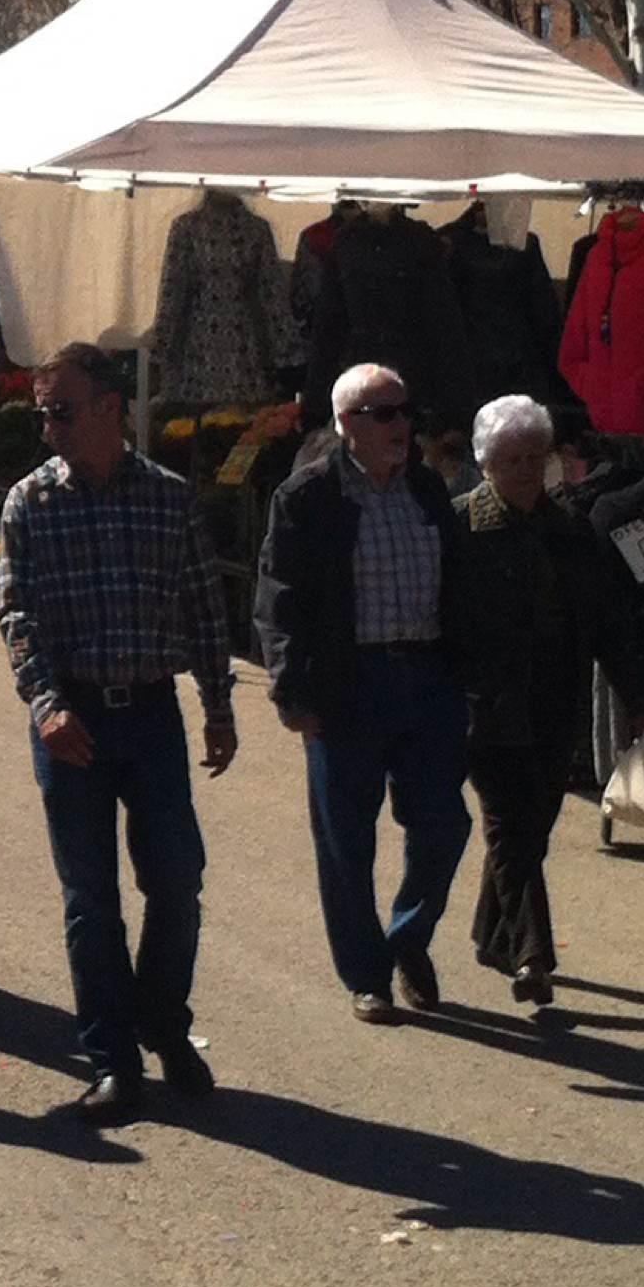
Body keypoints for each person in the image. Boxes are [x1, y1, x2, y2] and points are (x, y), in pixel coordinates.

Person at [0, 343, 240, 1120]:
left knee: (176, 881)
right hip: (72, 718)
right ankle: (111, 1059)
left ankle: (164, 1024)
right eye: (41, 413)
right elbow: (18, 616)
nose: (46, 428)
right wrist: (45, 705)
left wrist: (219, 707)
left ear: (111, 409)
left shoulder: (168, 497)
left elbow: (205, 605)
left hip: (152, 713)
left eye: (60, 410)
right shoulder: (30, 504)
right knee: (89, 898)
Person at [254, 363, 474, 1024]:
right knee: (347, 841)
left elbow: (459, 583)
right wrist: (293, 691)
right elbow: (278, 601)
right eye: (384, 414)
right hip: (347, 685)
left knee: (444, 824)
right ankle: (367, 976)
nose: (402, 426)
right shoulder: (306, 497)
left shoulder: (428, 490)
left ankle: (405, 938)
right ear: (347, 424)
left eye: (406, 411)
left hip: (426, 679)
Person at [457, 394, 644, 1007]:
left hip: (551, 704)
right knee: (510, 832)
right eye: (510, 459)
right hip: (486, 708)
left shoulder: (570, 528)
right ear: (486, 463)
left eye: (533, 458)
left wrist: (638, 697)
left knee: (531, 832)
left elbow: (605, 622)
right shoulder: (459, 526)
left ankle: (490, 934)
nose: (524, 470)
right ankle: (531, 957)